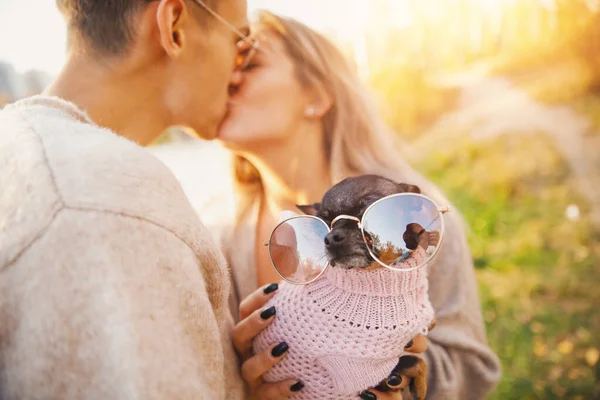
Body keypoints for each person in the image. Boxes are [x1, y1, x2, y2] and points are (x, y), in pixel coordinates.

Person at [0, 0, 303, 398]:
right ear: (174, 25)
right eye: (239, 40)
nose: (237, 69)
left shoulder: (22, 148)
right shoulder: (109, 201)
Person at [209, 10, 503, 400]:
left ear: (316, 95)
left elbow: (474, 370)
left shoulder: (410, 219)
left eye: (252, 63)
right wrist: (243, 388)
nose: (227, 78)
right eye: (226, 65)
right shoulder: (215, 239)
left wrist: (400, 373)